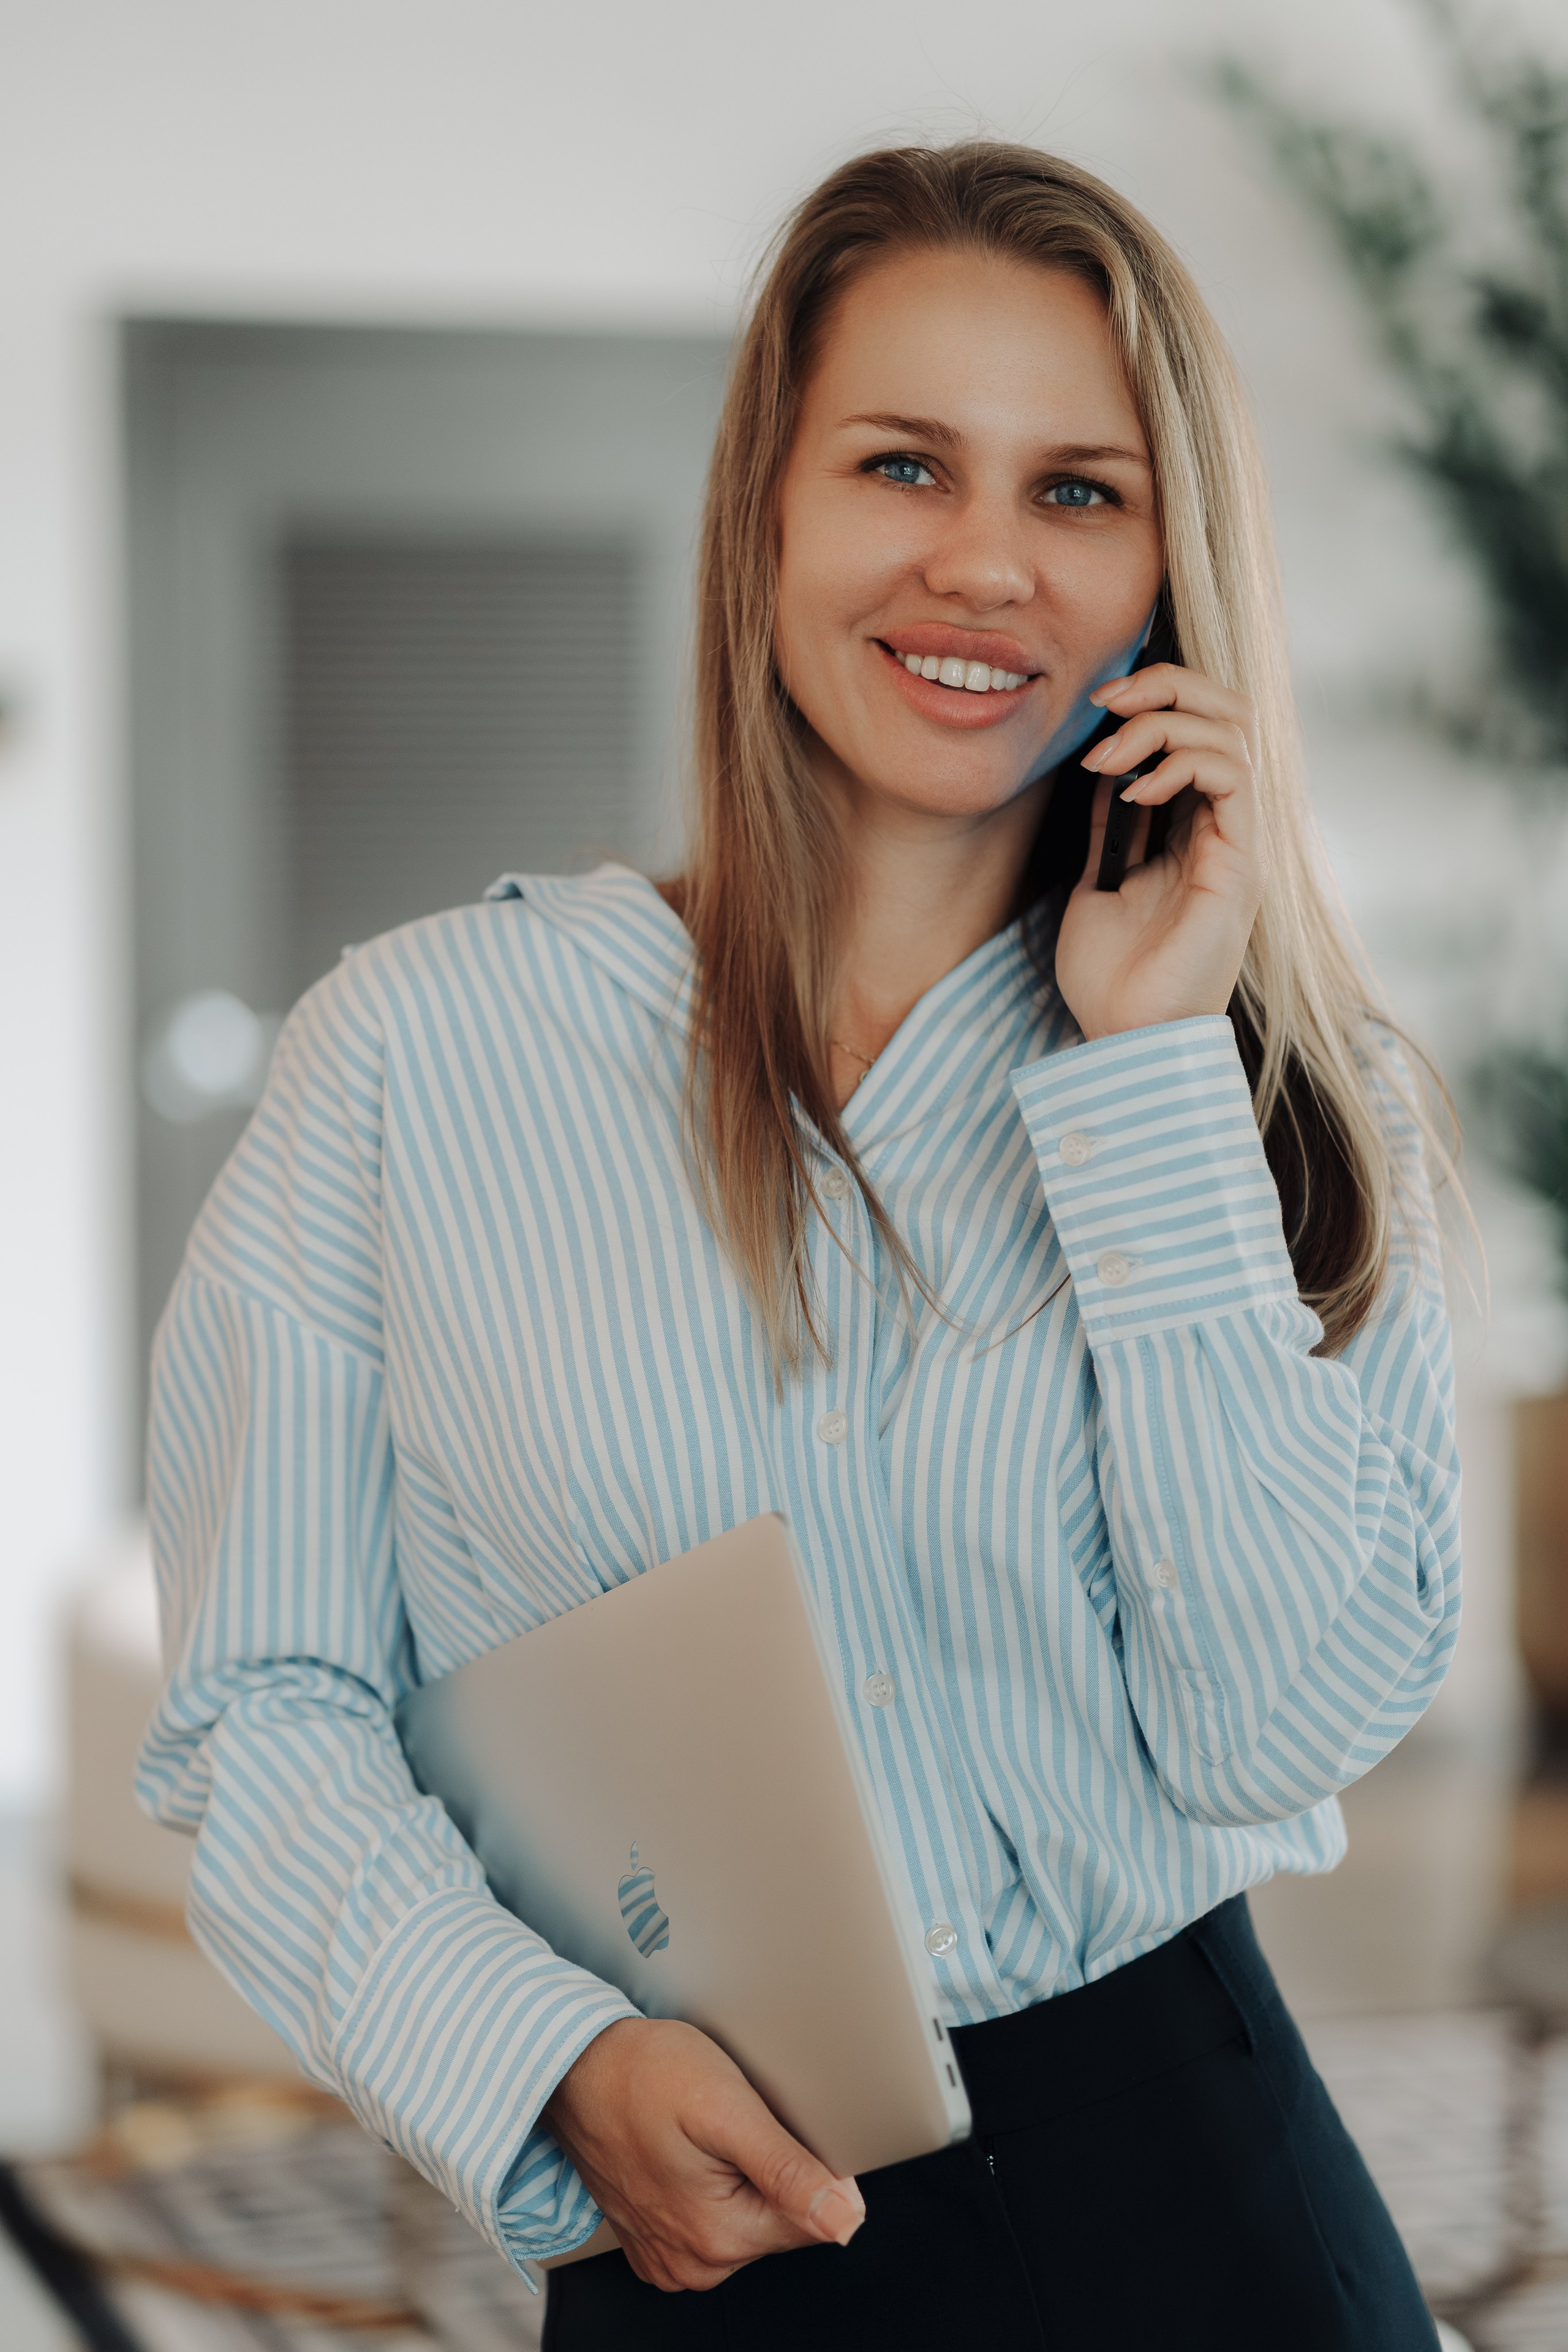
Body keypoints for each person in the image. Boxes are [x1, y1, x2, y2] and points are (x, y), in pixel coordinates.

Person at [137, 143, 1458, 2349]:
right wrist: (542, 2055)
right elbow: (264, 1709)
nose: (983, 563)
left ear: (1168, 579)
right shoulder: (409, 1062)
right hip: (701, 2233)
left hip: (1203, 2205)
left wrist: (1148, 1076)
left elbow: (1277, 1730)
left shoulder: (1284, 1096)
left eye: (1079, 492)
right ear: (766, 504)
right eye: (903, 464)